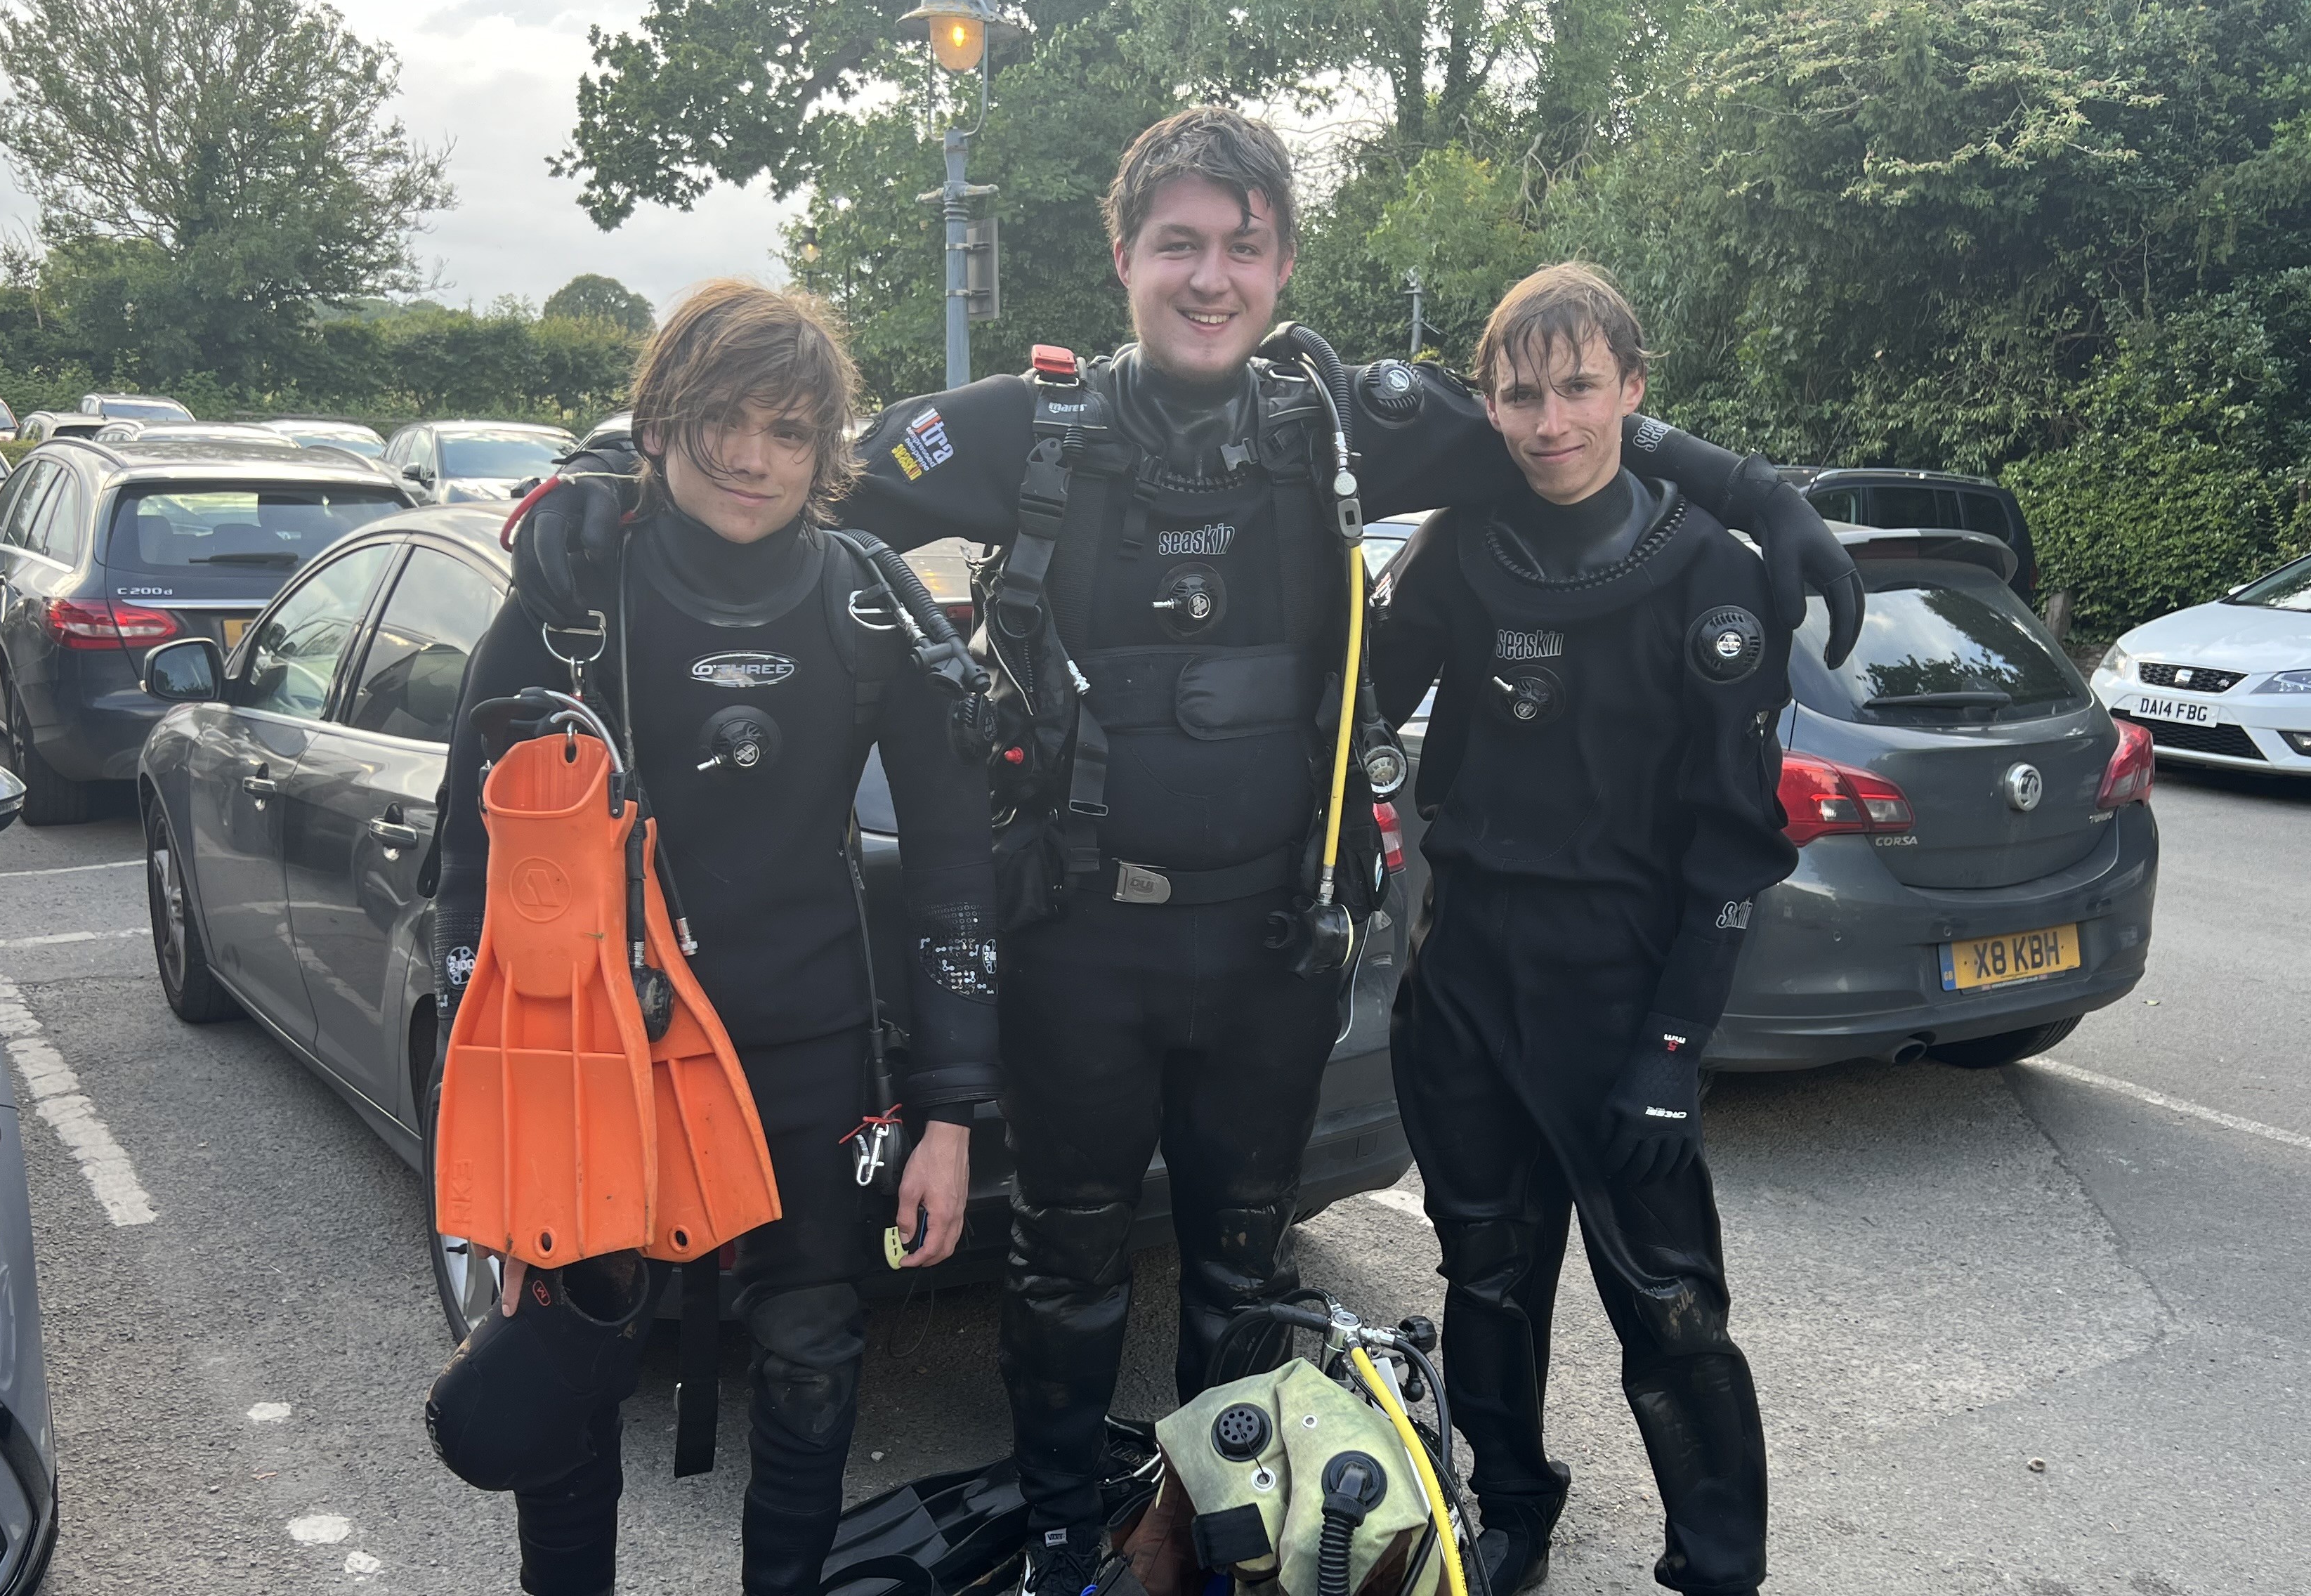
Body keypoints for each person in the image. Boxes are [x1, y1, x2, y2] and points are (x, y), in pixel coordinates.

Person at [511, 110, 1860, 1596]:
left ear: (1282, 265)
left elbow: (1559, 431)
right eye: (1179, 246)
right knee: (1068, 1266)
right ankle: (1056, 1543)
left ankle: (1225, 1544)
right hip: (1080, 946)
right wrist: (600, 480)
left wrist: (1758, 496)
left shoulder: (1342, 421)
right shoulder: (1025, 431)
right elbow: (785, 450)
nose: (1210, 277)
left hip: (1273, 949)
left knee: (1241, 1273)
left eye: (1242, 247)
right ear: (1125, 257)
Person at [424, 280, 1001, 1596]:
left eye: (790, 431)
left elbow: (955, 869)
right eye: (721, 421)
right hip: (594, 1054)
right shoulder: (574, 594)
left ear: (825, 451)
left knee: (812, 1359)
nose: (752, 457)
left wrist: (950, 1116)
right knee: (573, 1363)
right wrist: (483, 1107)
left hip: (804, 1047)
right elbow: (471, 863)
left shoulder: (867, 608)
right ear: (660, 424)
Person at [1368, 263, 1796, 1596]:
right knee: (1487, 1274)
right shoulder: (1464, 548)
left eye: (1578, 388)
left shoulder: (1710, 572)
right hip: (1465, 971)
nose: (1550, 421)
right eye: (1519, 395)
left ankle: (1722, 1559)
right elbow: (1352, 702)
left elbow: (1736, 848)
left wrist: (1673, 1048)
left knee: (1670, 1301)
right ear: (1490, 405)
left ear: (1633, 392)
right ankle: (1512, 1510)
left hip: (1620, 989)